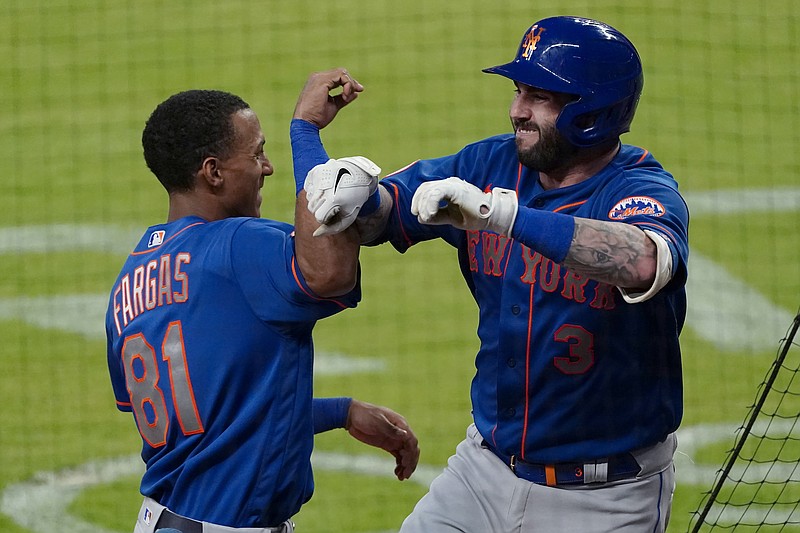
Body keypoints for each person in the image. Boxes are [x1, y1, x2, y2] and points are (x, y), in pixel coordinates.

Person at [300, 16, 689, 533]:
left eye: (541, 97)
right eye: (518, 90)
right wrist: (349, 189)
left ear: (594, 111)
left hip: (605, 497)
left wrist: (499, 216)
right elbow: (384, 213)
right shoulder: (490, 163)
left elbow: (642, 259)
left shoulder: (638, 187)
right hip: (483, 472)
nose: (517, 111)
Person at [105, 68, 420, 533]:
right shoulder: (237, 247)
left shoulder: (128, 282)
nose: (267, 167)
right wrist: (305, 132)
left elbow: (213, 419)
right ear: (213, 172)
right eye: (257, 154)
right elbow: (327, 272)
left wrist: (341, 412)